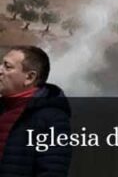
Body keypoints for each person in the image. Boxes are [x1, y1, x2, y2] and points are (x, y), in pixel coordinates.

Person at [0, 46, 71, 176]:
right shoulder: (4, 107)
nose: (0, 70)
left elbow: (52, 171)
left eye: (7, 67)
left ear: (29, 77)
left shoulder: (52, 117)